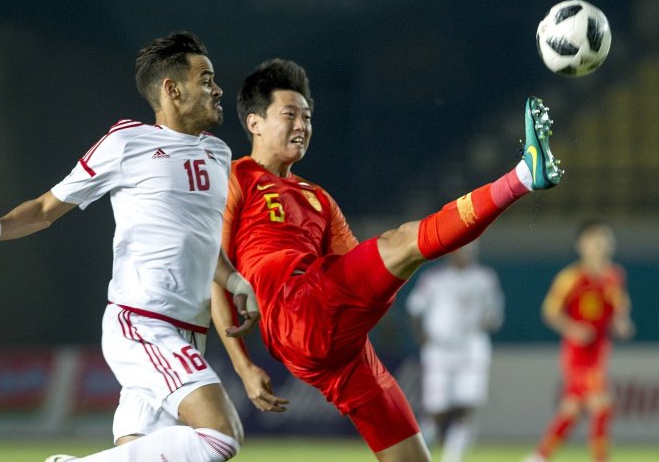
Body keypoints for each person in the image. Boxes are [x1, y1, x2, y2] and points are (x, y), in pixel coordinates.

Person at [209, 58, 563, 462]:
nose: (302, 126)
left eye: (307, 117)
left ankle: (523, 177)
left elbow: (357, 269)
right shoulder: (236, 178)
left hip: (337, 347)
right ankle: (522, 177)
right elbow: (211, 269)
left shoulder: (319, 200)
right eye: (289, 115)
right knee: (402, 242)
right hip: (293, 310)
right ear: (254, 122)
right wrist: (242, 366)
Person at [0, 31, 266, 462]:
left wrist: (235, 281)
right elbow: (45, 207)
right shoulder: (127, 143)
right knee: (220, 437)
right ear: (172, 90)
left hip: (191, 335)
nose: (217, 89)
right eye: (205, 79)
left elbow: (199, 238)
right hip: (142, 325)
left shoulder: (217, 153)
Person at [523, 220, 634, 462]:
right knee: (601, 404)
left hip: (599, 351)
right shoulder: (571, 277)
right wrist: (572, 328)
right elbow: (550, 311)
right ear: (582, 245)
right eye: (595, 241)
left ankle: (538, 456)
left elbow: (619, 309)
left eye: (604, 240)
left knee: (571, 410)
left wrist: (622, 323)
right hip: (577, 353)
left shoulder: (614, 276)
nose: (600, 246)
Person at [405, 241, 504, 462]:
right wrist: (421, 335)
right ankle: (419, 451)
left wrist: (488, 321)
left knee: (467, 405)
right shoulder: (433, 280)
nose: (465, 254)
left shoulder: (485, 279)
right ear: (450, 252)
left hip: (472, 349)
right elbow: (414, 309)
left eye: (469, 249)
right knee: (436, 408)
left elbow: (494, 314)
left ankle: (452, 458)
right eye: (460, 249)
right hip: (439, 350)